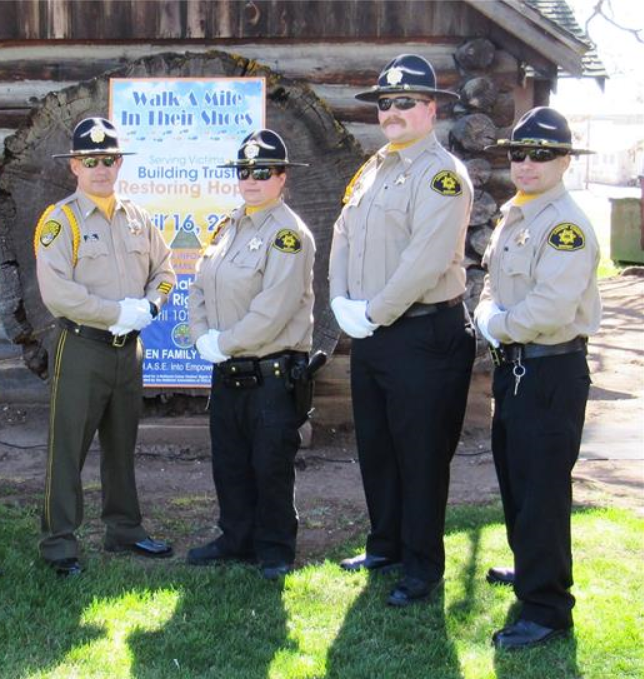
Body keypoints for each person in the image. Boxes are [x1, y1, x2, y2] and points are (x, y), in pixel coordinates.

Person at [329, 54, 476, 606]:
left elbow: (425, 260)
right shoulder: (374, 168)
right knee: (378, 448)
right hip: (373, 331)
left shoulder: (441, 175)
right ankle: (385, 544)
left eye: (404, 102)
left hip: (422, 334)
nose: (391, 112)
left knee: (419, 455)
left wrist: (372, 312)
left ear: (430, 109)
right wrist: (340, 300)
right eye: (385, 104)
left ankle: (422, 566)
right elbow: (342, 232)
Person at [475, 107, 600, 649]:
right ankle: (531, 568)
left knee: (543, 491)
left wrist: (496, 325)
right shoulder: (516, 215)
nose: (526, 164)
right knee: (516, 481)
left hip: (551, 370)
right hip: (518, 370)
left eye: (541, 155)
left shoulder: (565, 226)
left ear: (565, 161)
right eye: (518, 154)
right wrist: (487, 314)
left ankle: (547, 609)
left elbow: (550, 308)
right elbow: (490, 283)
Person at [34, 117, 176, 576]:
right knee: (68, 449)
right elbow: (58, 294)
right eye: (90, 160)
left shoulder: (137, 217)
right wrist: (115, 313)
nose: (101, 168)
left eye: (109, 159)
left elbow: (166, 271)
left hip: (127, 352)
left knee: (121, 445)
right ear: (75, 165)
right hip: (83, 348)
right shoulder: (61, 221)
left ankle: (125, 529)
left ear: (119, 164)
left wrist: (151, 307)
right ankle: (59, 542)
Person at [186, 130, 315, 580]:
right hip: (226, 371)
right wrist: (202, 337)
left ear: (282, 177)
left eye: (263, 172)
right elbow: (199, 286)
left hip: (270, 373)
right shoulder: (228, 227)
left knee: (270, 464)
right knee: (231, 462)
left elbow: (273, 310)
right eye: (245, 171)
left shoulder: (288, 236)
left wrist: (221, 344)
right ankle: (235, 536)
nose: (252, 179)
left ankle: (275, 548)